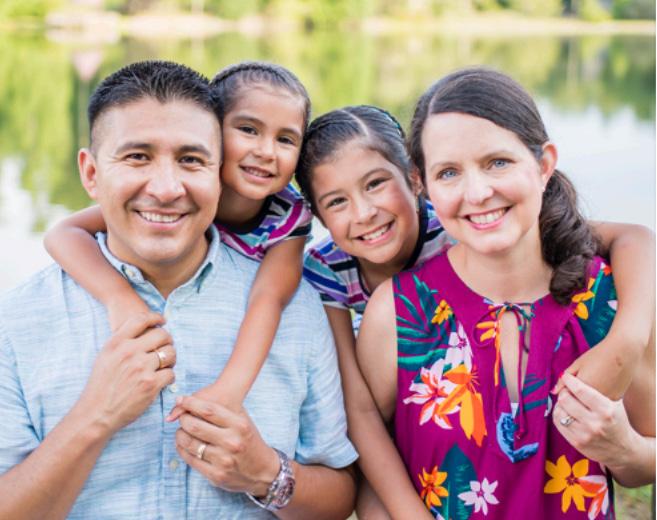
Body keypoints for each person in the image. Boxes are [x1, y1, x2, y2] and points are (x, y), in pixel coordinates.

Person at [0, 60, 357, 519]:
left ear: (217, 170)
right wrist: (95, 416)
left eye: (190, 160)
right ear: (90, 173)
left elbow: (339, 499)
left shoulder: (299, 308)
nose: (167, 189)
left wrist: (266, 474)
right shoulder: (17, 322)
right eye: (137, 157)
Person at [296, 105, 654, 518]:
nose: (363, 213)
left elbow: (630, 237)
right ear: (318, 215)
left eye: (376, 184)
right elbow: (358, 408)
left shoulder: (465, 223)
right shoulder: (329, 268)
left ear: (415, 178)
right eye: (337, 201)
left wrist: (629, 337)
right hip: (401, 367)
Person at [44, 61, 314, 419]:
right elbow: (62, 234)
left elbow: (269, 299)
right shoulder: (179, 196)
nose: (267, 151)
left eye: (285, 139)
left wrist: (229, 391)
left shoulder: (288, 216)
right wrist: (119, 297)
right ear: (213, 134)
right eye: (248, 130)